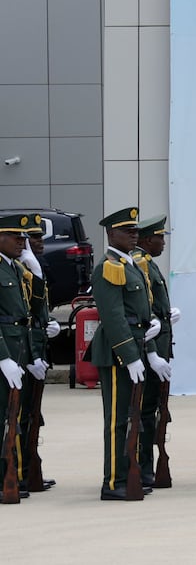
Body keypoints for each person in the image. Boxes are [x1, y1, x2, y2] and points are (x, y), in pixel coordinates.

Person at [87, 206, 161, 500]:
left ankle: (128, 472)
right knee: (118, 419)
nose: (134, 235)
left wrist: (150, 338)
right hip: (118, 353)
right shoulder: (109, 267)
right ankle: (114, 481)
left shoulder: (131, 266)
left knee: (132, 416)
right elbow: (114, 317)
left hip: (135, 346)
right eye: (127, 231)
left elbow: (138, 314)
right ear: (110, 234)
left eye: (135, 231)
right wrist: (129, 355)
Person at [0, 212, 49, 500]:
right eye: (16, 238)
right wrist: (3, 357)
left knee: (14, 416)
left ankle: (14, 473)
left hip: (19, 350)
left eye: (24, 238)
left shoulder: (16, 269)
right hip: (6, 351)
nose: (23, 243)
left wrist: (31, 355)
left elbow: (28, 314)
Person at [133, 216, 176, 489]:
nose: (163, 242)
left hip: (159, 344)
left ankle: (147, 467)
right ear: (149, 239)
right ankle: (143, 466)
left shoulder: (149, 263)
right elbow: (142, 312)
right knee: (145, 410)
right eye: (160, 237)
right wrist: (151, 352)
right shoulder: (142, 263)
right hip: (151, 348)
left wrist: (167, 315)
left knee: (154, 411)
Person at [20, 216, 57, 492]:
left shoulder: (34, 267)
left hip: (35, 348)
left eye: (40, 238)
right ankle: (18, 472)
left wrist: (48, 324)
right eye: (33, 239)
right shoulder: (19, 268)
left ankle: (28, 469)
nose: (39, 244)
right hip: (22, 351)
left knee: (32, 415)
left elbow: (38, 311)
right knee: (18, 415)